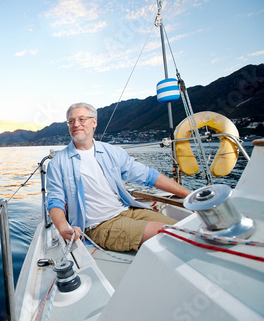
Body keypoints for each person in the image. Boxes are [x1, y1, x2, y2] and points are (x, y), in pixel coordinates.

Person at [46, 102, 191, 252]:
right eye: (71, 121)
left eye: (82, 119)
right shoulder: (58, 163)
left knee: (183, 227)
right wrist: (63, 229)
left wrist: (190, 195)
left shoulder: (112, 152)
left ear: (94, 122)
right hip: (99, 225)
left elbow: (149, 176)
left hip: (127, 210)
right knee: (172, 232)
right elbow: (55, 200)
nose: (76, 124)